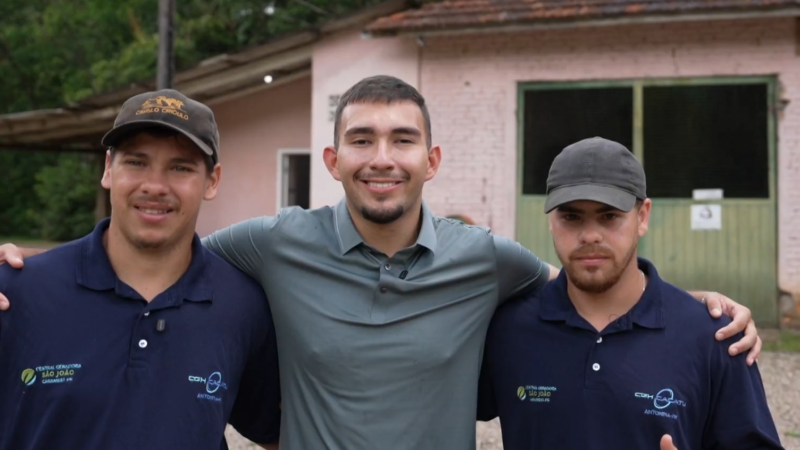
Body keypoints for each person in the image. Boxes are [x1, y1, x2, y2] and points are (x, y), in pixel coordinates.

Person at [0, 76, 761, 450]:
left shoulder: (489, 262)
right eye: (361, 140)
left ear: (431, 158)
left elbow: (591, 280)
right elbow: (157, 252)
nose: (381, 159)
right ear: (331, 159)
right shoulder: (266, 248)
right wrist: (17, 265)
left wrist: (694, 307)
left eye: (401, 140)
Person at [0, 90, 280, 450]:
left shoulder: (243, 307)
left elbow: (274, 434)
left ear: (212, 181)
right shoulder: (16, 294)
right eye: (136, 162)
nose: (154, 186)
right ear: (107, 169)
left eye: (180, 167)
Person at [477, 137, 782, 450]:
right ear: (551, 222)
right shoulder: (508, 329)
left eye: (609, 216)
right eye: (571, 217)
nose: (590, 235)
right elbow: (434, 415)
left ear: (643, 216)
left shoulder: (715, 337)